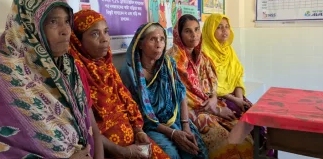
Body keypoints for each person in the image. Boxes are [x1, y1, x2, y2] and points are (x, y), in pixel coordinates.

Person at [0, 0, 103, 158]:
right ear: (28, 28)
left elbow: (91, 128)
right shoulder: (1, 76)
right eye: (53, 22)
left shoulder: (69, 68)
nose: (65, 30)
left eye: (67, 21)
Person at [69, 9, 170, 159]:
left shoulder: (107, 67)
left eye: (106, 32)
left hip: (133, 142)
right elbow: (86, 129)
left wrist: (138, 131)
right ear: (78, 40)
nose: (105, 39)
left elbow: (127, 101)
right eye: (95, 34)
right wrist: (122, 152)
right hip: (108, 151)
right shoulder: (74, 73)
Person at [167, 15, 254, 159]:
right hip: (190, 112)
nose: (194, 35)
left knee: (243, 134)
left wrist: (214, 98)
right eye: (188, 31)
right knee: (225, 142)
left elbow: (212, 85)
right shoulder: (173, 61)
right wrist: (217, 109)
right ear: (178, 34)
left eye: (196, 30)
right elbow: (183, 98)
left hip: (211, 106)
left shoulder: (202, 57)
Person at [119, 23, 208, 159]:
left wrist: (185, 126)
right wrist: (172, 134)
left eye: (162, 39)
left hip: (176, 120)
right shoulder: (129, 73)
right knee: (171, 154)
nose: (159, 44)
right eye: (153, 39)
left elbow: (181, 94)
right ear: (140, 44)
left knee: (195, 149)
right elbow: (137, 114)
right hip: (150, 126)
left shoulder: (168, 64)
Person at [201, 13, 252, 117]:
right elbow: (209, 87)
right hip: (215, 98)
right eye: (219, 27)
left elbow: (237, 78)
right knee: (238, 121)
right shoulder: (203, 53)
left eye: (227, 27)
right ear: (210, 30)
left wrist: (240, 99)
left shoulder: (229, 51)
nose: (224, 30)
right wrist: (234, 100)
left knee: (255, 118)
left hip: (235, 96)